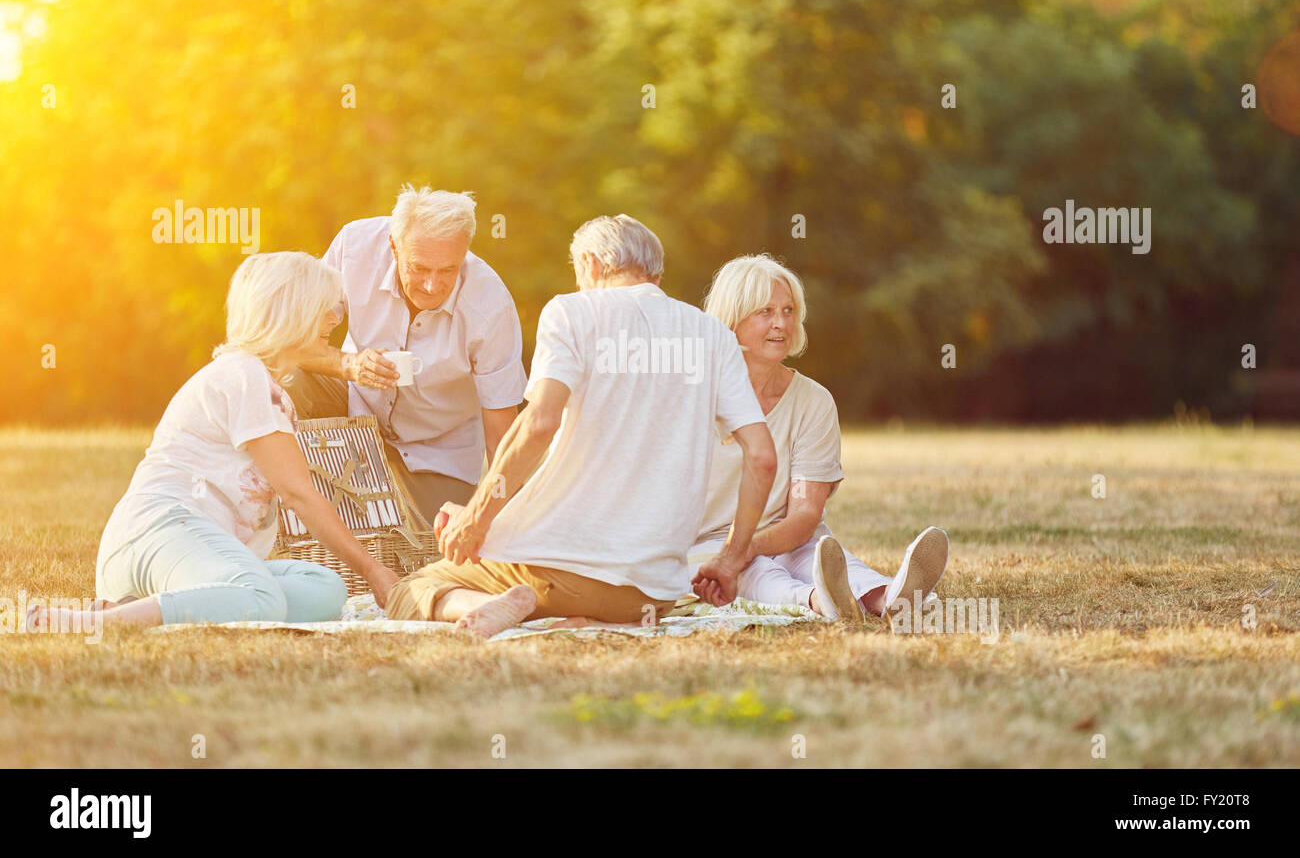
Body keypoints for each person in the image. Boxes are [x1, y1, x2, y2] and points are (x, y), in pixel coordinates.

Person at [384, 215, 779, 638]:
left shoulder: (571, 312)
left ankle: (501, 605)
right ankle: (571, 622)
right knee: (580, 596)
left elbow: (539, 424)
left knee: (410, 589)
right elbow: (762, 456)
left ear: (589, 263)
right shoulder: (712, 334)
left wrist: (477, 519)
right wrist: (732, 557)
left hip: (552, 574)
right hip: (649, 595)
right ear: (655, 272)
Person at [27, 252, 401, 632]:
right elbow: (298, 494)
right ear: (293, 311)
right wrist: (373, 570)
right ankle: (101, 622)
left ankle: (146, 607)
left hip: (182, 553)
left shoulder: (260, 381)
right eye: (326, 308)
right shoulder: (245, 375)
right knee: (262, 598)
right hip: (160, 532)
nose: (335, 319)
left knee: (325, 589)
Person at [687, 254, 949, 621]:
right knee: (758, 573)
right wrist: (734, 553)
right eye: (765, 311)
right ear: (732, 319)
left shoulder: (814, 401)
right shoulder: (692, 394)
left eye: (788, 310)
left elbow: (805, 512)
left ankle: (889, 596)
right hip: (709, 543)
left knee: (818, 557)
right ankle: (816, 600)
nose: (781, 323)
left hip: (788, 537)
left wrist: (747, 546)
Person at [287, 185, 527, 522]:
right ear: (393, 246)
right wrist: (349, 365)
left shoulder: (491, 307)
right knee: (284, 378)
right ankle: (282, 506)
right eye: (419, 268)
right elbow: (290, 338)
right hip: (353, 404)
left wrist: (503, 522)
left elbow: (503, 434)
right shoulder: (354, 247)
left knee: (430, 550)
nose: (432, 286)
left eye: (448, 270)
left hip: (439, 448)